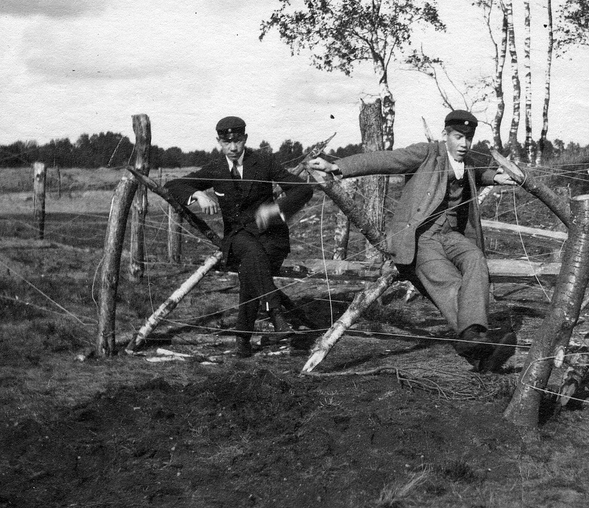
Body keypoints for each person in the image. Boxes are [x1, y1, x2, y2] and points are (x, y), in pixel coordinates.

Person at [307, 109, 517, 372]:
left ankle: (473, 343)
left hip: (452, 235)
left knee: (475, 258)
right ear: (445, 134)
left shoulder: (468, 160)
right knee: (447, 281)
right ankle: (476, 340)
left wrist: (496, 177)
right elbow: (388, 159)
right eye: (458, 137)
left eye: (469, 138)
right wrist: (338, 166)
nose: (463, 144)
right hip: (423, 238)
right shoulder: (427, 154)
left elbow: (476, 171)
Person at [166, 116, 314, 358]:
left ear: (245, 138)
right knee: (252, 255)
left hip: (271, 238)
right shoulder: (215, 169)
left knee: (252, 268)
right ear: (219, 142)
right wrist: (198, 195)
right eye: (226, 143)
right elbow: (175, 184)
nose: (233, 148)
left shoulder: (264, 162)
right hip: (238, 238)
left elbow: (303, 189)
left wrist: (277, 209)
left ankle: (243, 338)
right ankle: (275, 312)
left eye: (237, 142)